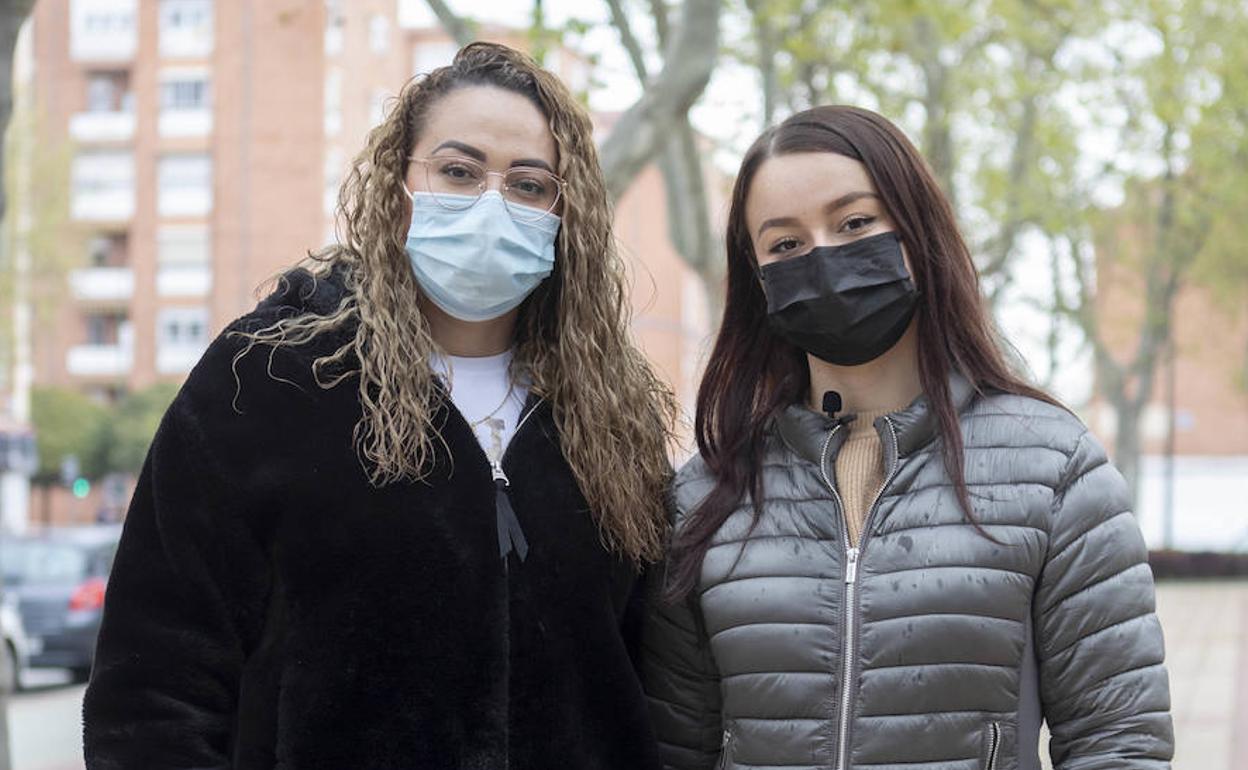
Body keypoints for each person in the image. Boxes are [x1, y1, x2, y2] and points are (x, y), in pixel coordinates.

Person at [83, 42, 674, 770]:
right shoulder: (268, 378)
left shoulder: (614, 416)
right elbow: (153, 684)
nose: (493, 202)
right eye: (458, 172)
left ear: (563, 210)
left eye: (529, 184)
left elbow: (652, 679)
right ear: (399, 186)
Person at [642, 105, 1173, 770]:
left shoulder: (1054, 468)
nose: (824, 255)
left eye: (855, 223)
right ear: (757, 278)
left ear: (917, 231)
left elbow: (1119, 740)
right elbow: (671, 750)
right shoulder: (706, 495)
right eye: (785, 245)